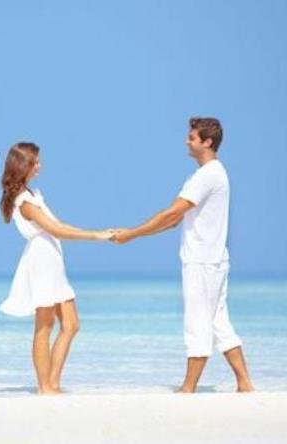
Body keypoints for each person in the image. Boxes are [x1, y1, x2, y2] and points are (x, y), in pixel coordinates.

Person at [112, 117, 254, 393]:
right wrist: (135, 234)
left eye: (191, 138)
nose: (186, 141)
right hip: (212, 260)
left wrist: (132, 234)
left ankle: (188, 388)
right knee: (218, 323)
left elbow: (172, 213)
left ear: (207, 142)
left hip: (203, 261)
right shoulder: (210, 173)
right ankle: (244, 384)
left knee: (197, 323)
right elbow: (175, 220)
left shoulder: (207, 175)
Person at [0, 142, 114, 395]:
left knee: (71, 324)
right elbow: (56, 230)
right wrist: (96, 236)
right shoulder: (24, 201)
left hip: (51, 259)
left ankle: (52, 383)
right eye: (35, 162)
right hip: (41, 261)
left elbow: (59, 226)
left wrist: (97, 233)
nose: (40, 166)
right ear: (23, 165)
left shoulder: (32, 194)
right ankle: (45, 387)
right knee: (44, 326)